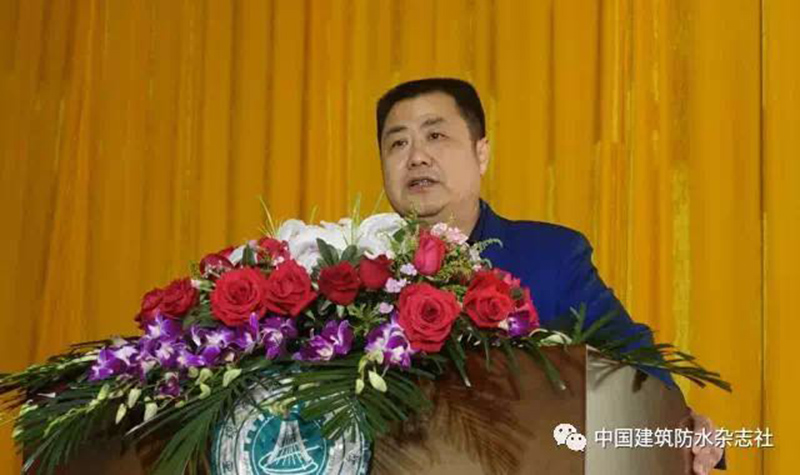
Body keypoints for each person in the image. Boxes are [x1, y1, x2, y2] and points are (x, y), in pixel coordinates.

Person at [375, 77, 724, 474]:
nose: (417, 157)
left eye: (435, 135)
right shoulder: (352, 276)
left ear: (481, 154)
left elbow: (636, 366)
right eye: (398, 143)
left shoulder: (551, 257)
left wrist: (684, 426)